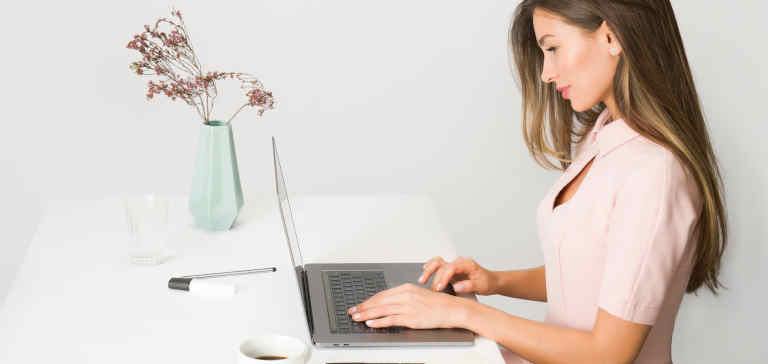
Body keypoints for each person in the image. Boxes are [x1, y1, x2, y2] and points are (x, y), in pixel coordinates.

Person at [346, 0, 728, 363]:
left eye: (553, 48)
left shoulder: (654, 174)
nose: (546, 73)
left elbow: (608, 354)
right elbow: (591, 274)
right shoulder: (604, 136)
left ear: (612, 37)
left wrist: (464, 314)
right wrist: (493, 281)